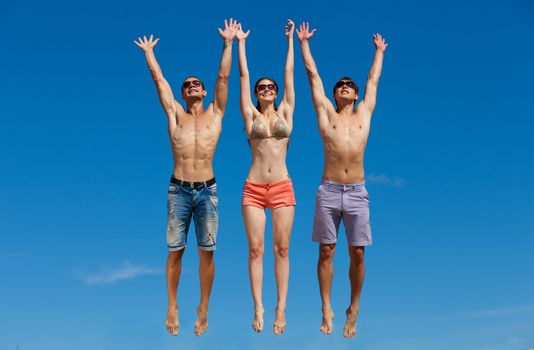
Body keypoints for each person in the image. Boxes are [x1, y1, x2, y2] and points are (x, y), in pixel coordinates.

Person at [133, 18, 238, 337]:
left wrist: (228, 43)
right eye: (187, 84)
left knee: (207, 252)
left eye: (196, 84)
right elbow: (159, 81)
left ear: (204, 91)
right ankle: (173, 306)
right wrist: (149, 53)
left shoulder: (215, 114)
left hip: (208, 191)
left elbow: (223, 76)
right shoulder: (175, 114)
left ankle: (203, 306)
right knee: (175, 250)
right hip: (178, 190)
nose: (192, 86)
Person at [296, 22, 388, 338]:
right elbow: (312, 76)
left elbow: (374, 80)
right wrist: (304, 43)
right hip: (329, 190)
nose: (345, 85)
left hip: (357, 192)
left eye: (350, 83)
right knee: (326, 251)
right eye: (341, 84)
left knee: (358, 252)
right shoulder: (326, 115)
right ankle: (326, 308)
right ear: (335, 94)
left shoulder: (364, 114)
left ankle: (354, 308)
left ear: (356, 93)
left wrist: (379, 52)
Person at [236, 19, 296, 335]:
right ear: (258, 93)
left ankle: (280, 308)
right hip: (254, 188)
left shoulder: (286, 111)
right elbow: (243, 76)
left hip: (283, 186)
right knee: (256, 249)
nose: (267, 90)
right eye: (263, 88)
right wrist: (240, 43)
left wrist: (290, 41)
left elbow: (290, 75)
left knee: (282, 249)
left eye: (271, 87)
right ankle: (258, 306)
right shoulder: (250, 115)